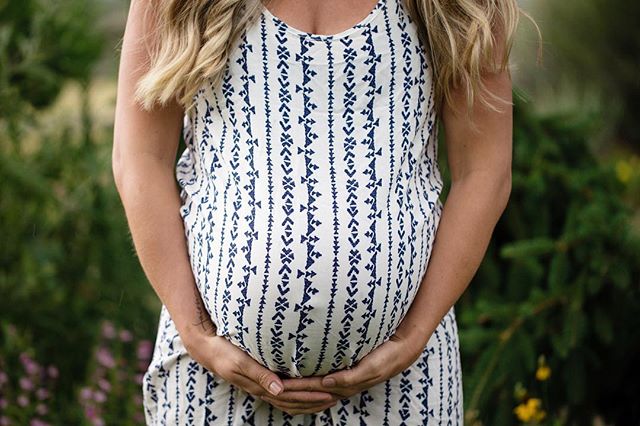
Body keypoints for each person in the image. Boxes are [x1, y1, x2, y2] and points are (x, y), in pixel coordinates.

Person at [112, 0, 538, 423]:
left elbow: (483, 172)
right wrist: (195, 331)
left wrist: (413, 336)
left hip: (403, 386)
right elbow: (140, 159)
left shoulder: (452, 6)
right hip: (212, 385)